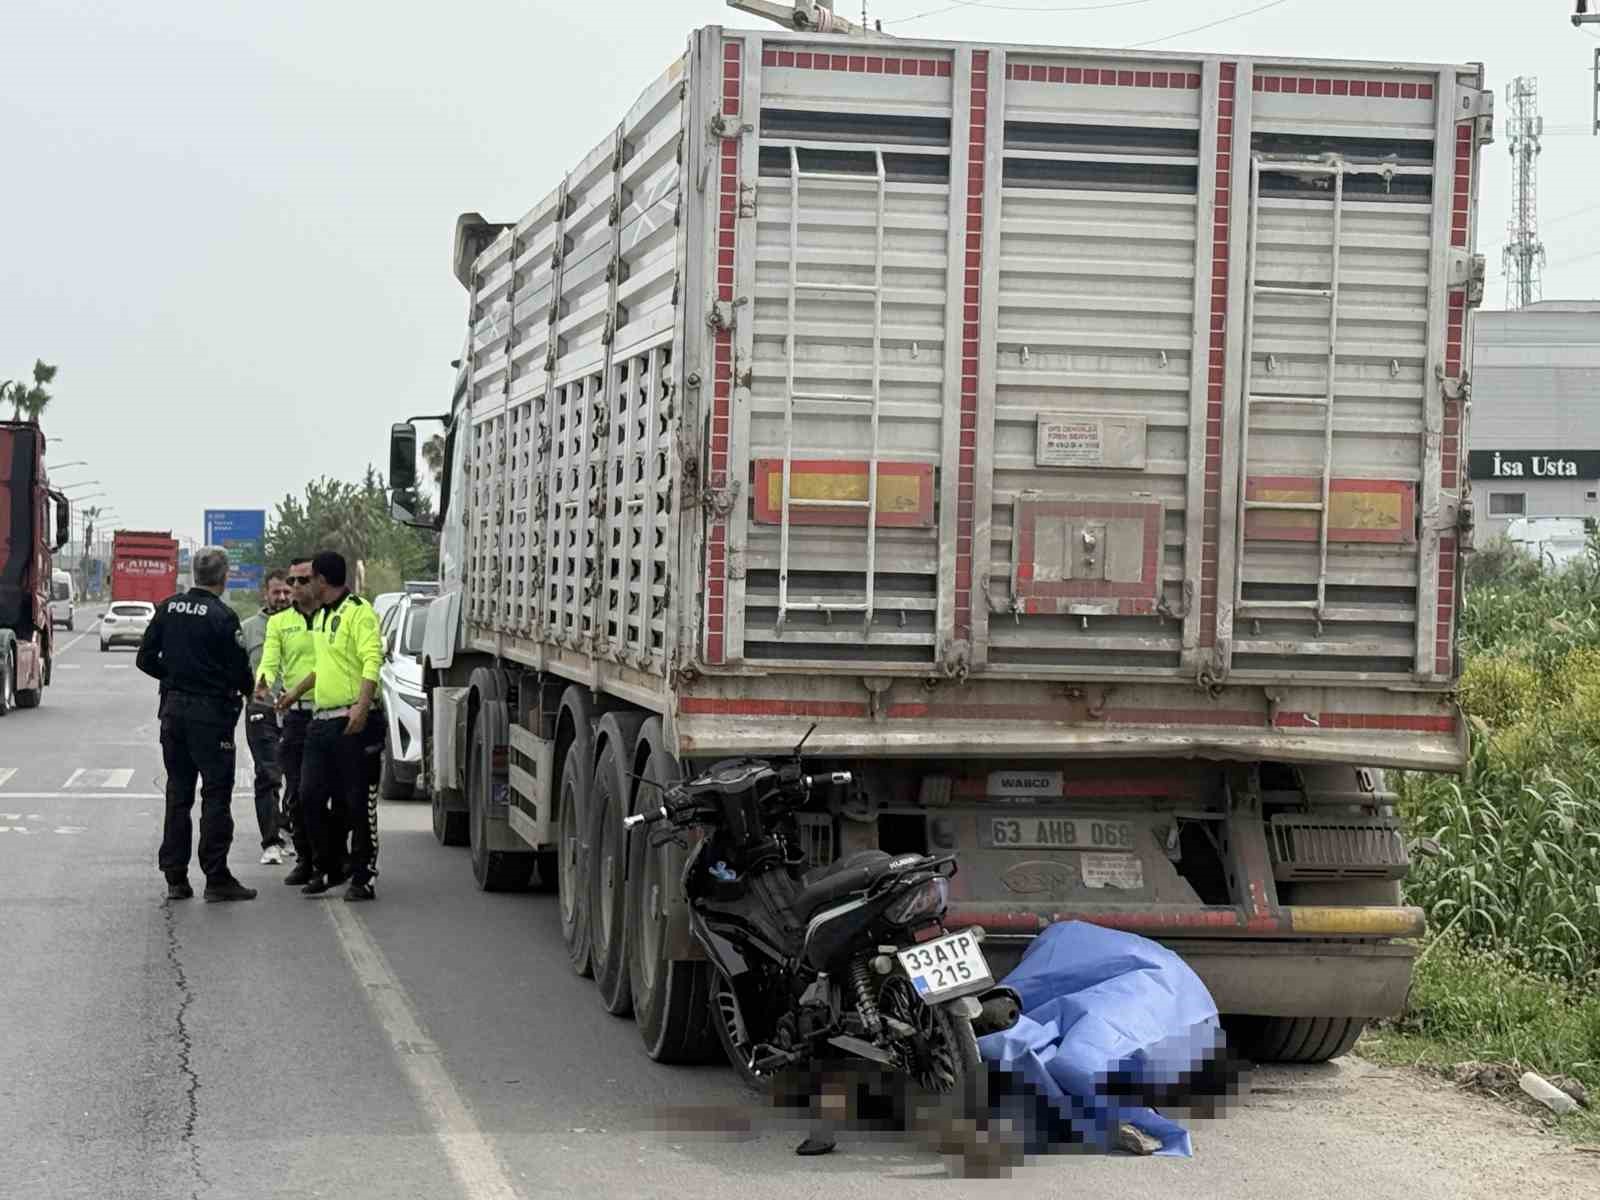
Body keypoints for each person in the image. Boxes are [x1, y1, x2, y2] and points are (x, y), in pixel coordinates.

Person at [136, 546, 258, 902]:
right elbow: (239, 670)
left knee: (178, 793)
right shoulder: (223, 616)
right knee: (216, 796)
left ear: (193, 574)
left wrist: (174, 677)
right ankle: (216, 877)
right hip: (211, 717)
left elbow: (145, 659)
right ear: (225, 576)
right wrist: (247, 692)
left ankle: (175, 877)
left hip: (173, 712)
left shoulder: (169, 607)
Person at [278, 550, 384, 901]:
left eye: (309, 580)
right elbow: (325, 666)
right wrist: (295, 692)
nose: (304, 585)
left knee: (356, 803)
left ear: (323, 581)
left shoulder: (359, 613)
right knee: (307, 796)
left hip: (352, 722)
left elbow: (372, 659)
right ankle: (328, 865)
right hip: (320, 723)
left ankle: (362, 874)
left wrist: (362, 706)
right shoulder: (323, 617)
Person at [257, 554, 343, 887]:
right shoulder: (279, 623)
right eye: (291, 581)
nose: (294, 587)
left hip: (331, 714)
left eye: (302, 580)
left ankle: (337, 858)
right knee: (298, 793)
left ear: (319, 582)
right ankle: (308, 860)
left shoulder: (333, 618)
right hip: (295, 718)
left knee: (335, 794)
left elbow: (335, 663)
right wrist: (263, 682)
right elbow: (270, 659)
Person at [239, 569, 293, 865]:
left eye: (287, 592)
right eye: (277, 592)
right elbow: (235, 669)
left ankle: (288, 829)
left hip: (298, 712)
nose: (282, 597)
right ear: (266, 593)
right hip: (262, 711)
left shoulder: (304, 626)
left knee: (298, 778)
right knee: (269, 775)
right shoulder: (248, 629)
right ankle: (271, 841)